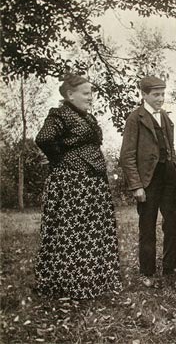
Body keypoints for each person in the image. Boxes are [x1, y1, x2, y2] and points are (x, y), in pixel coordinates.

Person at [35, 73, 122, 299]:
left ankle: (94, 280)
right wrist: (61, 161)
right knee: (73, 232)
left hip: (92, 182)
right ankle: (70, 283)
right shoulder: (59, 114)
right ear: (70, 94)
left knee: (91, 232)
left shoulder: (86, 117)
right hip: (73, 184)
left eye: (91, 92)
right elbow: (44, 139)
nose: (91, 97)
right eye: (86, 93)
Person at [120, 76, 176, 288]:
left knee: (174, 223)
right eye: (156, 94)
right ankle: (147, 271)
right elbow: (127, 156)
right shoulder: (135, 118)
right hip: (148, 180)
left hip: (167, 177)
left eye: (163, 94)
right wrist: (137, 186)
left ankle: (171, 268)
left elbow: (170, 146)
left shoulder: (165, 117)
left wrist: (173, 166)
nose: (161, 98)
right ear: (144, 95)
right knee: (147, 226)